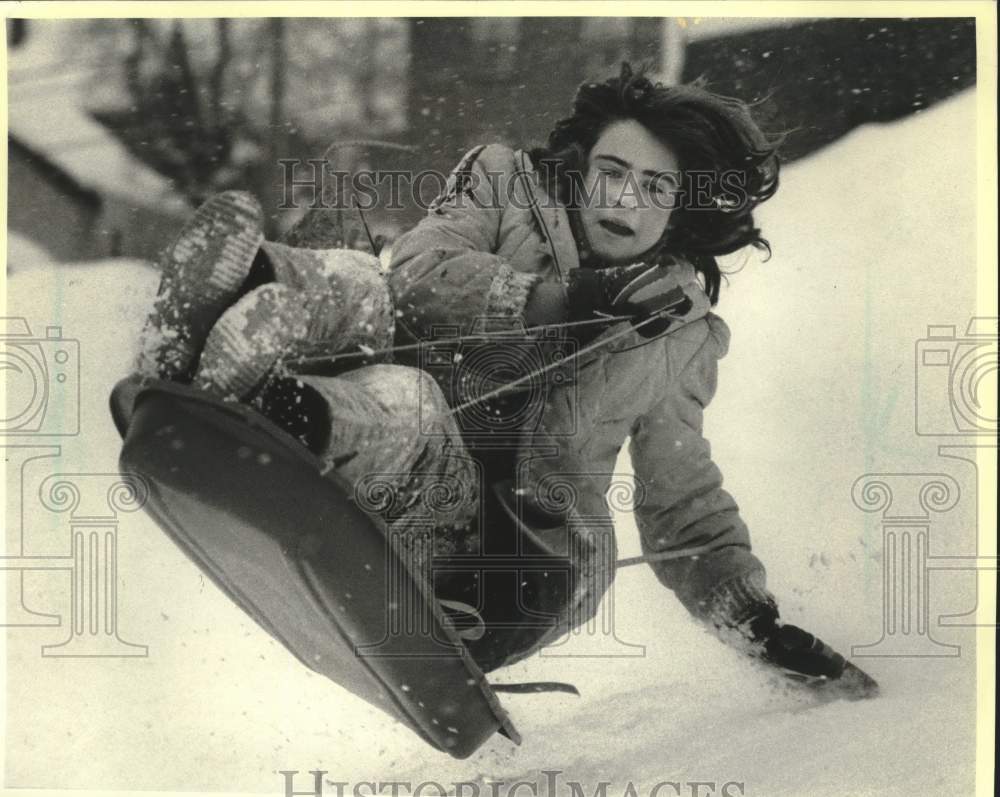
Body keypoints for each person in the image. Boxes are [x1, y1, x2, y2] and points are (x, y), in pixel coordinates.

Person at [132, 62, 877, 697]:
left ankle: (265, 401)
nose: (626, 199)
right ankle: (218, 322)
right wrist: (560, 300)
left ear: (680, 210)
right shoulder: (500, 184)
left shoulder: (680, 335)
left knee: (408, 405)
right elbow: (416, 275)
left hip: (507, 556)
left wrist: (753, 621)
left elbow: (680, 495)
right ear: (580, 168)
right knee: (365, 286)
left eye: (655, 188)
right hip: (382, 443)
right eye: (613, 173)